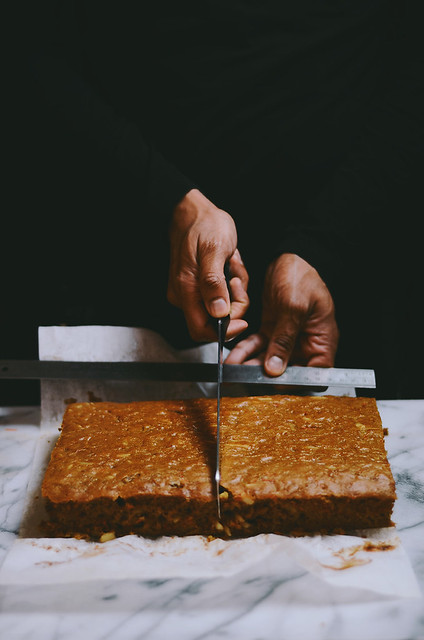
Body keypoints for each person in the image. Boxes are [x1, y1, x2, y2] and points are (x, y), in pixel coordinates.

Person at [3, 1, 423, 404]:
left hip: (351, 255)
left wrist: (321, 246)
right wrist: (170, 199)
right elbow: (29, 46)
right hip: (131, 251)